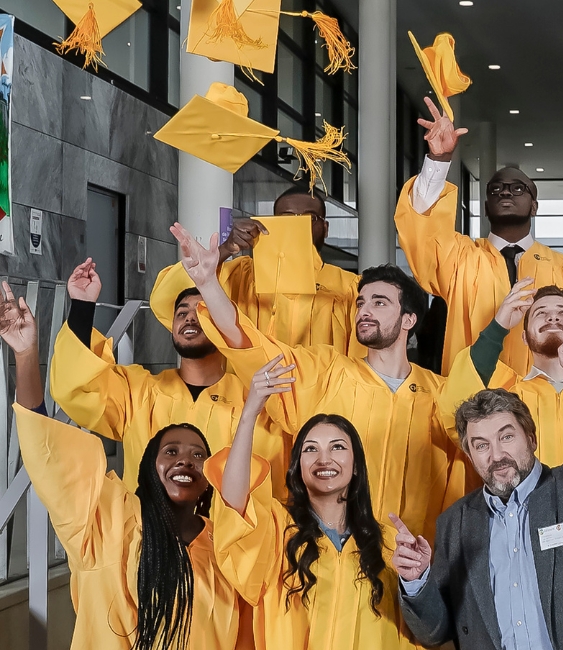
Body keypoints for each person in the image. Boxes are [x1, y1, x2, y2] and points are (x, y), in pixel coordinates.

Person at [170, 222, 459, 547]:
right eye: (361, 303)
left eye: (379, 303)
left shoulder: (441, 395)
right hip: (332, 559)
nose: (364, 311)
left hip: (413, 563)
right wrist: (209, 285)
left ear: (409, 320)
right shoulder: (326, 372)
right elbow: (249, 342)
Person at [5, 281, 247, 650]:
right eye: (180, 312)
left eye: (199, 455)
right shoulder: (108, 532)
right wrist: (64, 323)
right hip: (136, 534)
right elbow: (53, 445)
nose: (184, 461)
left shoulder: (257, 402)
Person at [391, 334, 563, 650]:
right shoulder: (456, 523)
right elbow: (434, 632)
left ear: (531, 439)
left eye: (506, 437)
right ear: (469, 453)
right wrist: (416, 580)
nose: (496, 455)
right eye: (481, 445)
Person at [393, 97, 563, 389]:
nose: (506, 193)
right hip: (475, 407)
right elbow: (421, 234)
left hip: (552, 406)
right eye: (496, 189)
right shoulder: (461, 258)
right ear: (487, 203)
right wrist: (439, 161)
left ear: (534, 206)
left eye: (518, 188)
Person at [207, 360, 412, 649]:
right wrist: (249, 413)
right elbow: (234, 506)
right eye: (310, 449)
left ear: (356, 467)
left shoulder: (389, 545)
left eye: (337, 447)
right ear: (298, 468)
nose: (323, 459)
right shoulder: (278, 534)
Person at [50, 258, 288, 497]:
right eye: (181, 313)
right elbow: (77, 386)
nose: (189, 318)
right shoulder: (138, 392)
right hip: (148, 531)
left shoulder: (257, 402)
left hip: (226, 534)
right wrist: (82, 306)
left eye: (203, 313)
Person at [440, 279, 563, 469]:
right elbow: (456, 417)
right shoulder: (507, 398)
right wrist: (498, 327)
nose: (552, 317)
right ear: (525, 337)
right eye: (541, 313)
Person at [150, 185, 361, 354]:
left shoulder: (348, 286)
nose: (298, 226)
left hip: (319, 403)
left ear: (325, 229)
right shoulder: (242, 275)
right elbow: (166, 300)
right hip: (246, 399)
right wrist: (225, 250)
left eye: (310, 217)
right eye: (286, 217)